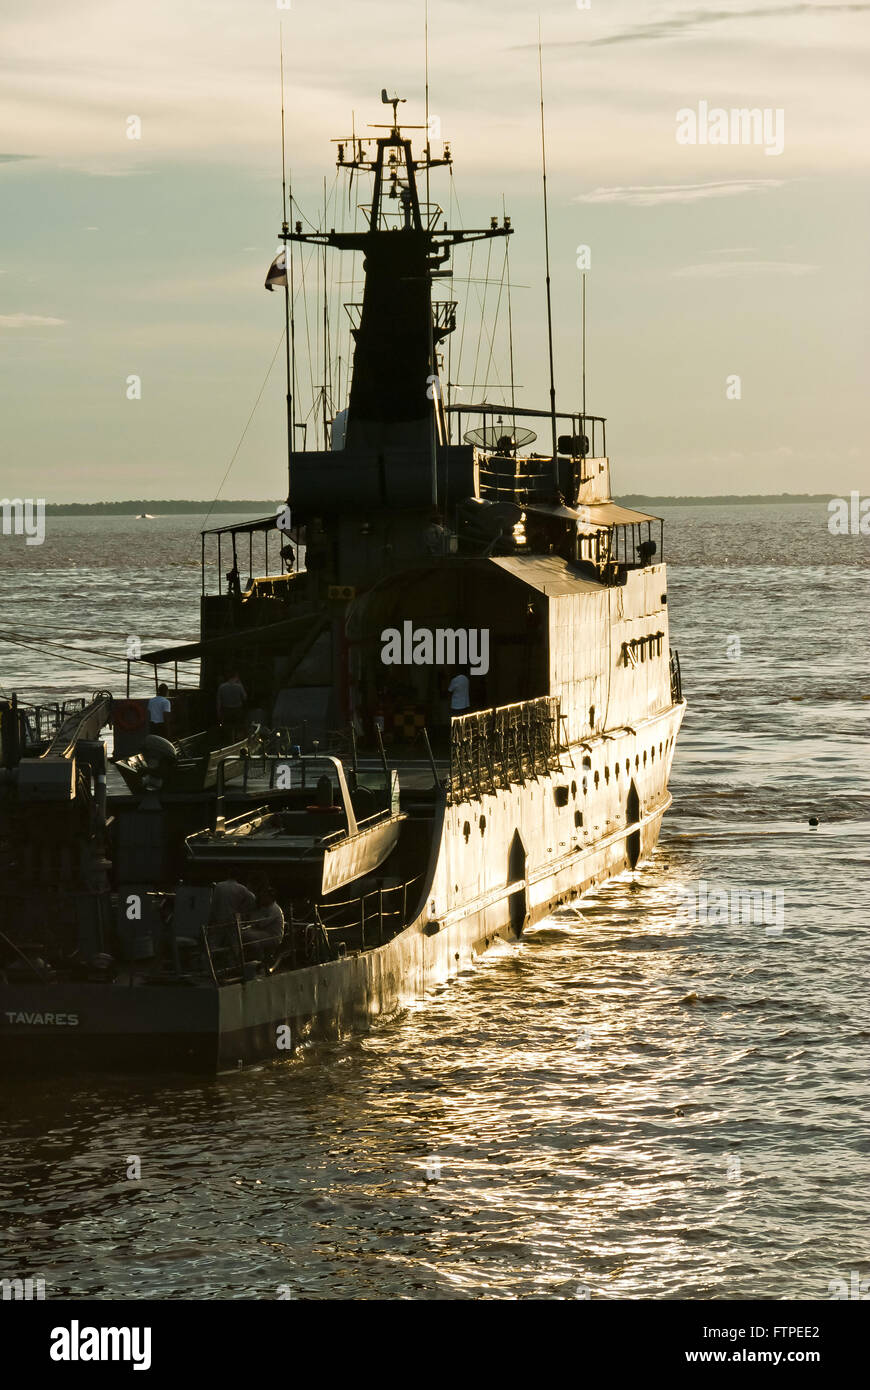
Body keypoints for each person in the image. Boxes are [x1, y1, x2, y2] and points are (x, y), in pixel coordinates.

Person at [243, 885, 285, 959]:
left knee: (247, 935)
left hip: (273, 935)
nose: (262, 898)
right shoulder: (264, 907)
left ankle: (260, 959)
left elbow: (260, 924)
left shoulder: (274, 909)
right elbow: (253, 921)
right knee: (246, 934)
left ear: (270, 897)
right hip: (264, 933)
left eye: (264, 896)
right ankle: (256, 958)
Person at [216, 671, 247, 740]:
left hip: (226, 710)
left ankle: (228, 741)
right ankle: (236, 741)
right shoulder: (239, 686)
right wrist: (240, 683)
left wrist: (218, 712)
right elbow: (244, 697)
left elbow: (219, 701)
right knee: (238, 727)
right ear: (236, 677)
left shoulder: (221, 687)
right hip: (237, 710)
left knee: (227, 728)